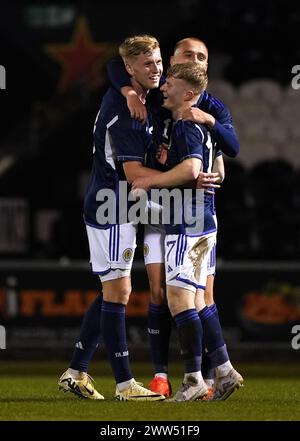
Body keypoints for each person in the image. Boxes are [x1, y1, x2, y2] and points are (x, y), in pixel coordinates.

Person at [107, 37, 241, 397]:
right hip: (167, 213)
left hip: (185, 212)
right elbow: (114, 65)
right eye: (187, 56)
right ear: (172, 60)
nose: (164, 81)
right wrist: (130, 92)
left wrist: (151, 179)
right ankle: (173, 373)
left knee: (188, 298)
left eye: (201, 56)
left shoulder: (201, 110)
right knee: (162, 293)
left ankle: (202, 377)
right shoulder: (154, 95)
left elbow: (227, 148)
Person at [58, 34, 169, 401]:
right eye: (148, 64)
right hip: (111, 206)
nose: (156, 69)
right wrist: (184, 176)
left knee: (112, 289)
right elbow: (135, 175)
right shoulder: (127, 111)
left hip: (121, 204)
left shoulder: (138, 96)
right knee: (118, 291)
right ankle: (124, 384)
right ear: (130, 68)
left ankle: (76, 370)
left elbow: (111, 66)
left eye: (158, 61)